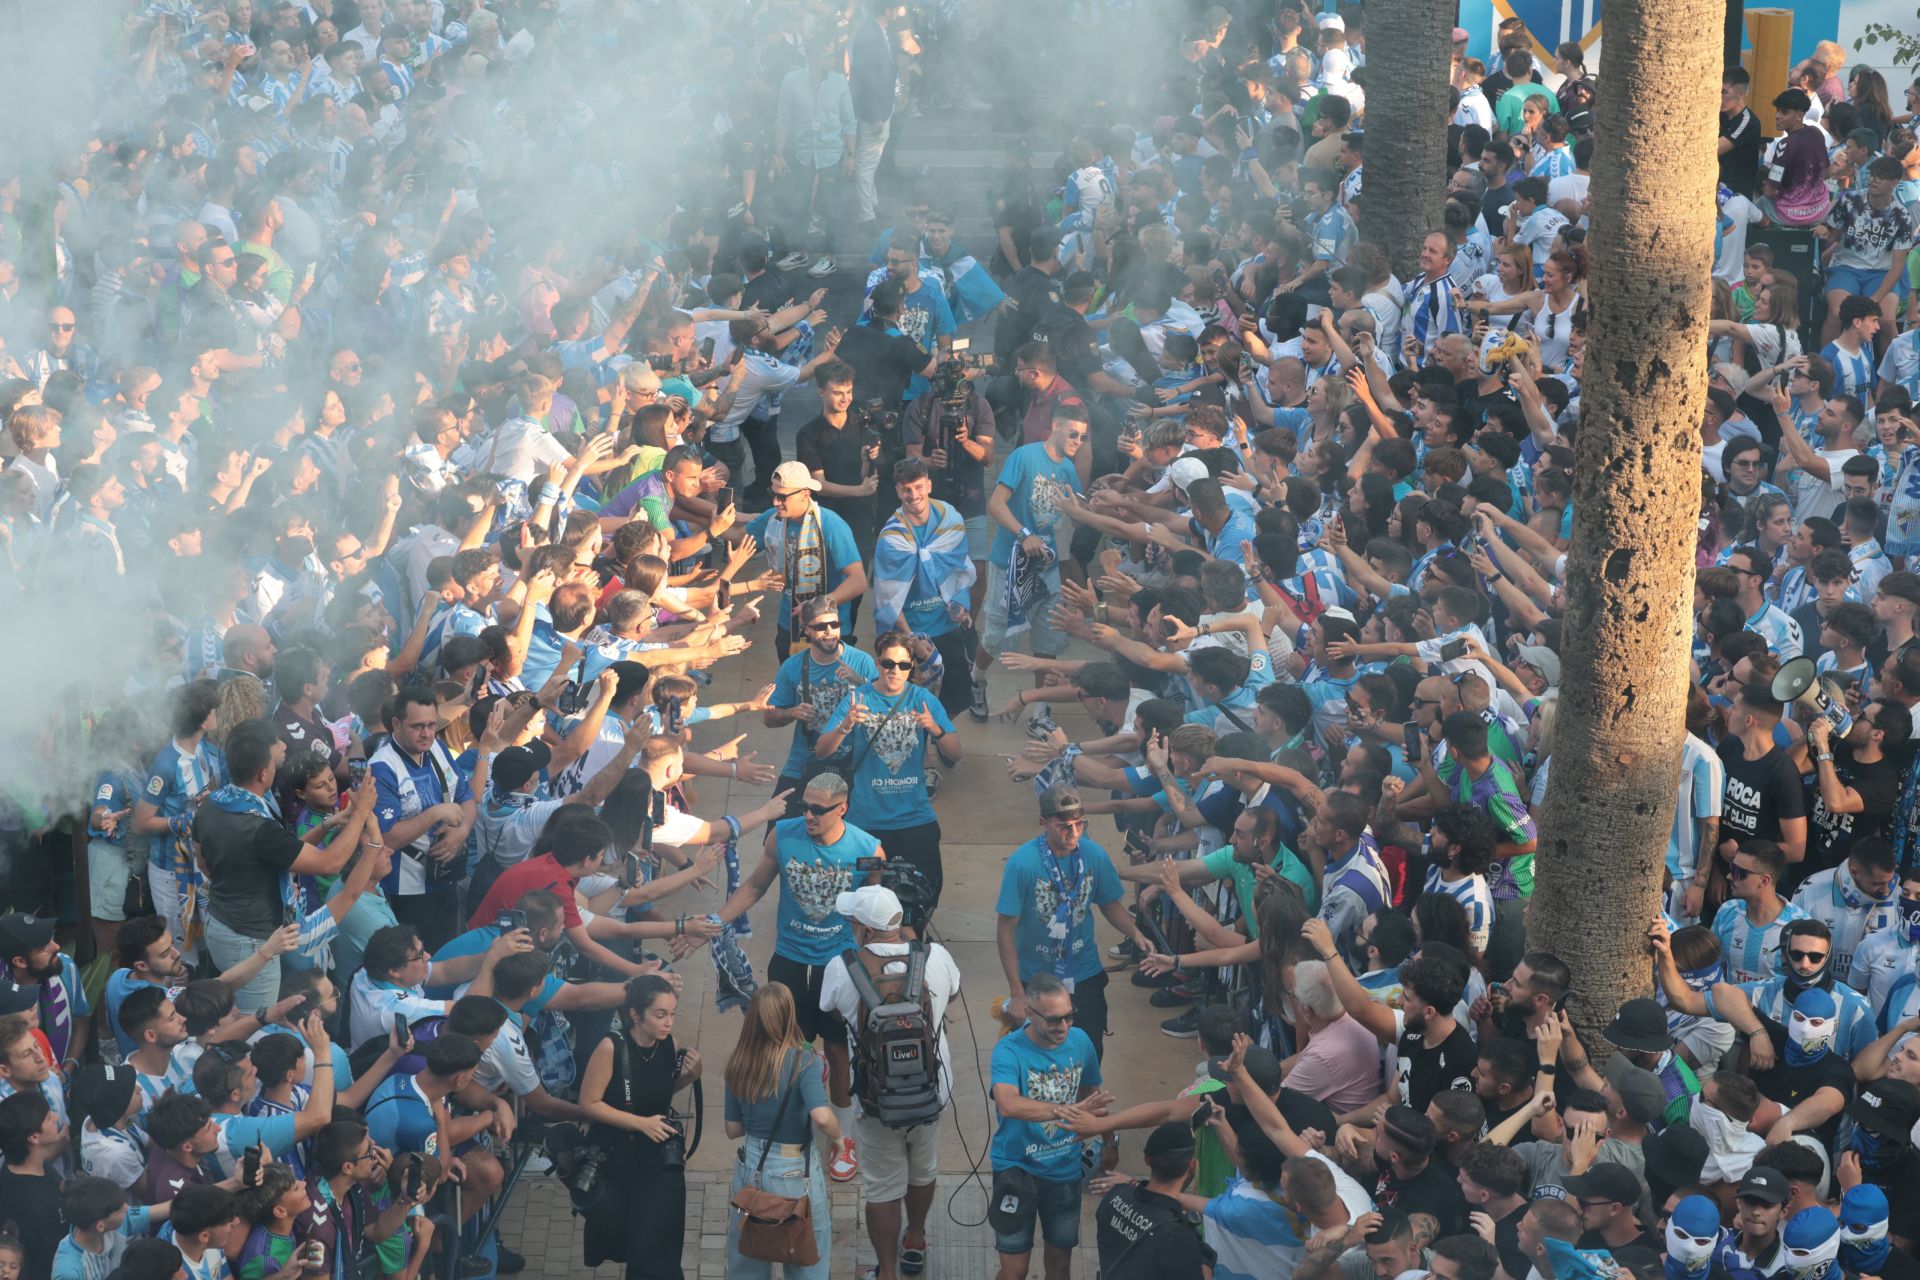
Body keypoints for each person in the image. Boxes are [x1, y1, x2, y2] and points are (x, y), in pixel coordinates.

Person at [820, 886, 960, 1280]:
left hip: (875, 1100)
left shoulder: (841, 967)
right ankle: (915, 1239)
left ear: (865, 929)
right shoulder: (936, 957)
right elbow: (953, 991)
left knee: (882, 1187)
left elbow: (827, 1008)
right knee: (924, 1169)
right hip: (931, 1092)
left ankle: (886, 1272)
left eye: (852, 922)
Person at [995, 786, 1152, 1058]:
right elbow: (1005, 930)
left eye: (1080, 824)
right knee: (1038, 1055)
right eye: (1064, 826)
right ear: (1044, 823)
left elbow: (1109, 904)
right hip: (1036, 976)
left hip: (1085, 973)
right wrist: (1017, 992)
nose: (1074, 833)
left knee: (1088, 1052)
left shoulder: (1093, 855)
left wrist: (1135, 933)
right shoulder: (1023, 863)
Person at [578, 975, 699, 1279]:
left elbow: (658, 1093)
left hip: (659, 1158)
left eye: (672, 1014)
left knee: (661, 1243)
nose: (668, 1023)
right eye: (660, 1015)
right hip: (619, 1155)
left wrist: (690, 1077)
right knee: (641, 1246)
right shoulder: (610, 1047)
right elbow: (589, 1104)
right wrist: (640, 1124)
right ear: (635, 1014)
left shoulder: (669, 1045)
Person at [988, 973, 1108, 1280]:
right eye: (1054, 1020)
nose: (1063, 1027)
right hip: (1016, 1169)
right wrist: (1064, 1111)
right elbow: (1008, 1103)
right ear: (1029, 1014)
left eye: (1069, 1017)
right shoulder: (1009, 1050)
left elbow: (1092, 1095)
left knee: (1060, 1265)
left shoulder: (1080, 1042)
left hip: (1064, 1172)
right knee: (1014, 1270)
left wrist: (1111, 1138)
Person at [721, 983, 838, 1280]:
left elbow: (733, 1129)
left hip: (750, 1170)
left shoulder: (737, 1063)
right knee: (807, 1256)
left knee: (746, 1254)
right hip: (795, 1174)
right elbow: (822, 1117)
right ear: (790, 1016)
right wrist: (839, 1138)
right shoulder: (806, 1062)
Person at [1090, 1121, 1216, 1278]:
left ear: (1147, 1159)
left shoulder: (1115, 1195)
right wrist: (1206, 1261)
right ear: (1193, 1167)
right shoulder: (1179, 1237)